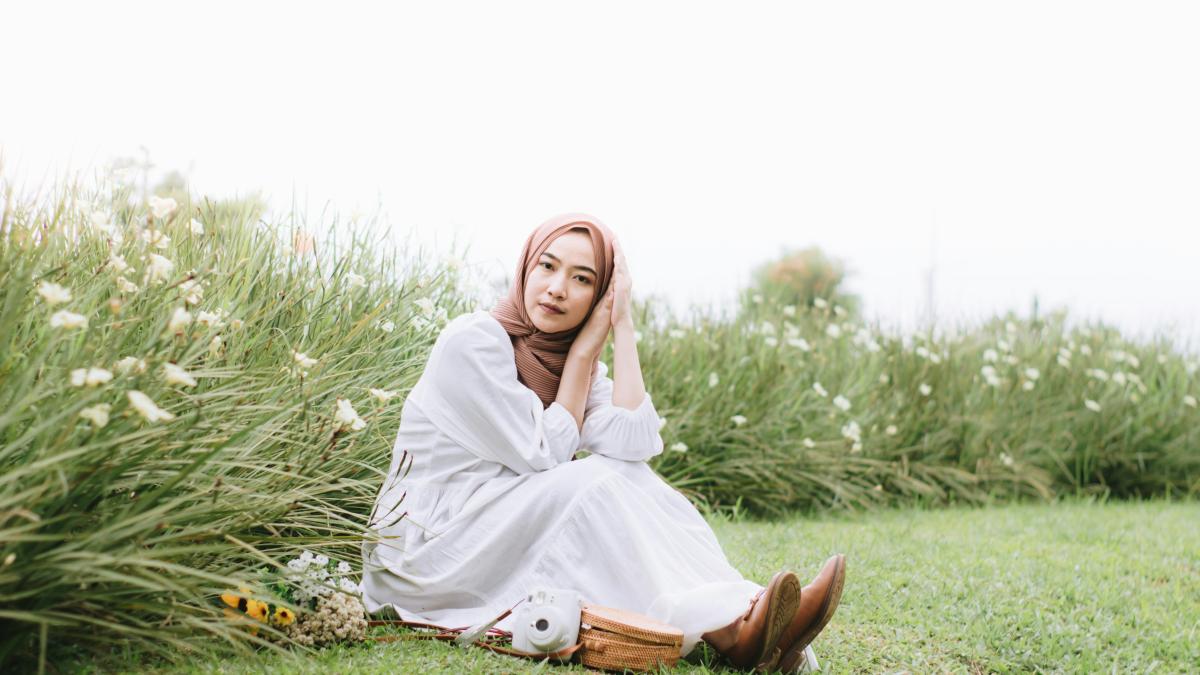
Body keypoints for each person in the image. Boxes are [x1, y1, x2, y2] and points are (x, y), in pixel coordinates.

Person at [360, 213, 845, 672]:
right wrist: (586, 351)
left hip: (496, 523)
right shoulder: (473, 342)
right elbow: (543, 454)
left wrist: (622, 327)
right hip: (431, 544)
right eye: (547, 267)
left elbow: (634, 441)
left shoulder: (571, 363)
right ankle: (737, 631)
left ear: (599, 296)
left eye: (582, 279)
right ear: (525, 268)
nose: (556, 289)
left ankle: (747, 618)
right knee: (594, 479)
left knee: (629, 474)